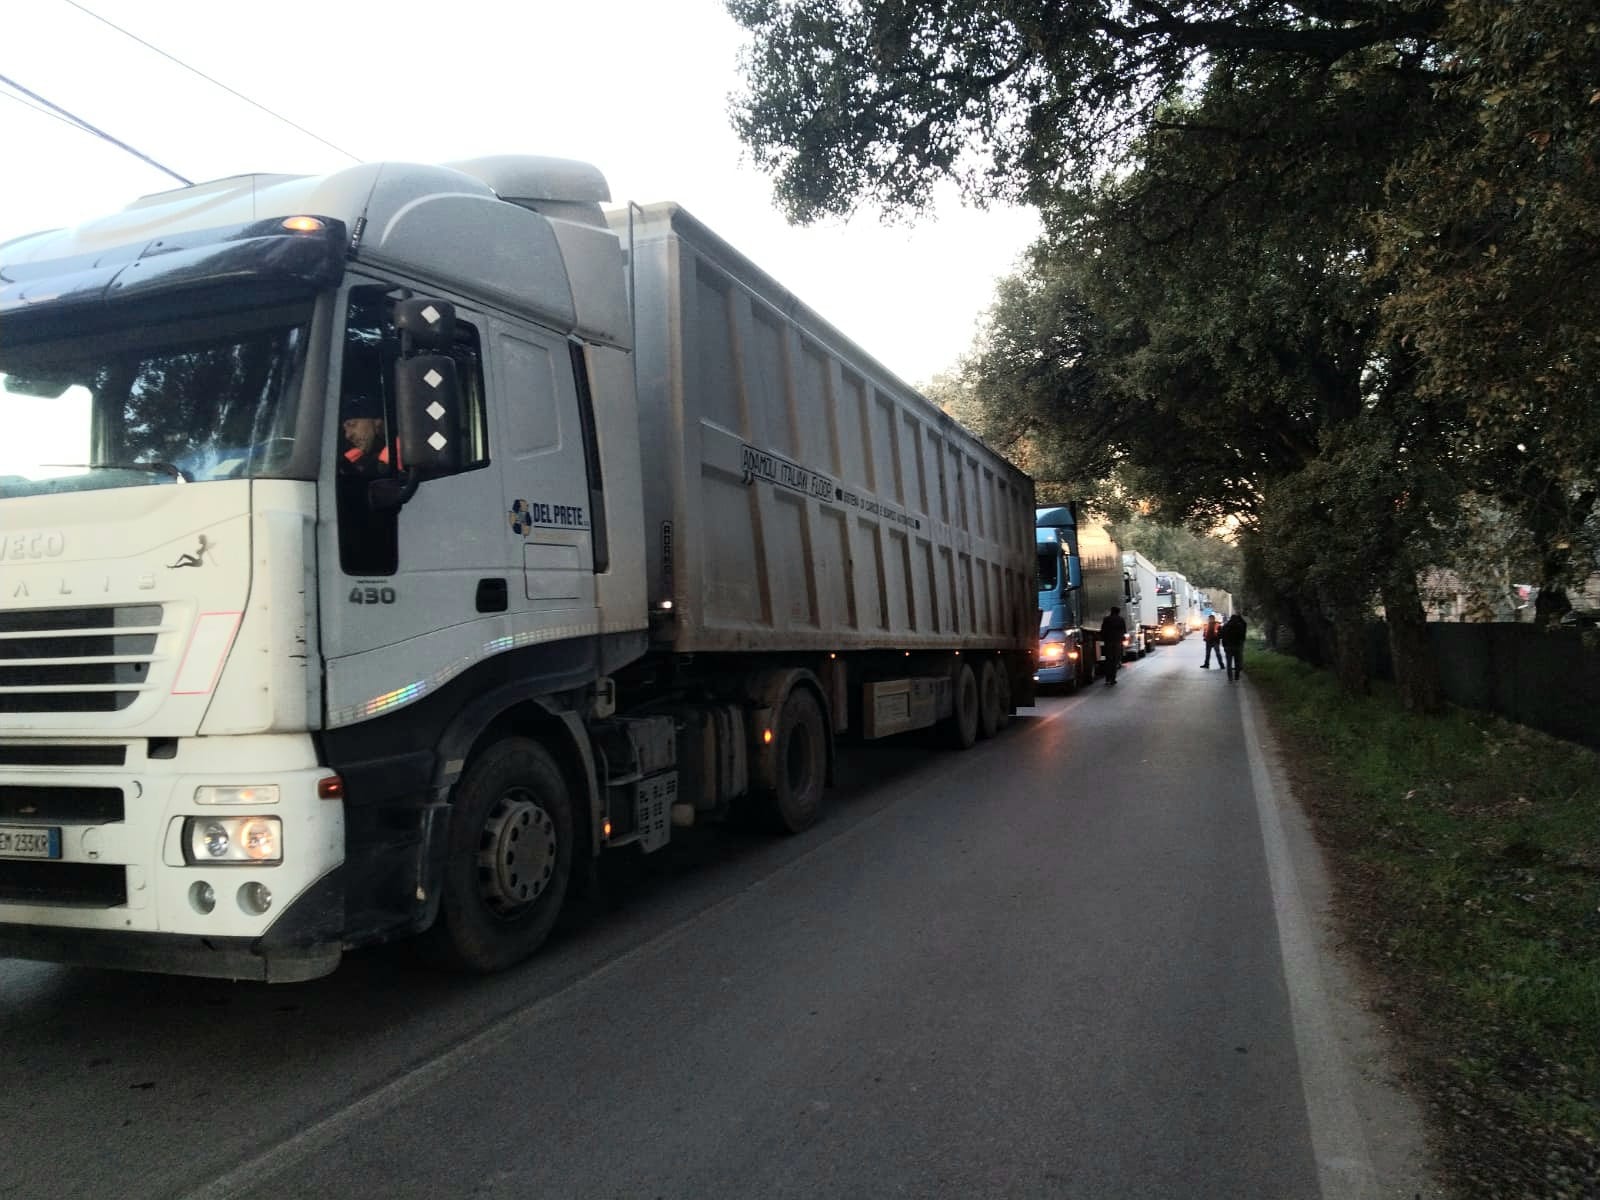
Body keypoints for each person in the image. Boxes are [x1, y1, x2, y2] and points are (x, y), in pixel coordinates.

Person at [339, 392, 394, 477]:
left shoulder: (404, 453)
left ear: (378, 421)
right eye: (345, 430)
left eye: (352, 424)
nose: (348, 435)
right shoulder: (358, 464)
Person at [1101, 606, 1127, 686]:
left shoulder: (1106, 619)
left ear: (1111, 611)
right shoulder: (1121, 619)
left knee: (1108, 661)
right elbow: (1124, 631)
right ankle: (1113, 679)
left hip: (1108, 642)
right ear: (1118, 612)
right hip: (1117, 643)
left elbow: (1103, 630)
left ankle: (1107, 679)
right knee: (1115, 661)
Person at [1220, 612, 1248, 681]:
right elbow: (1244, 627)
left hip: (1228, 647)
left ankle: (1230, 677)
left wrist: (1224, 645)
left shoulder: (1226, 626)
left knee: (1229, 663)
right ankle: (1237, 676)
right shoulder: (1240, 626)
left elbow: (1222, 636)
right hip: (1237, 647)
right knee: (1237, 662)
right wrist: (1240, 618)